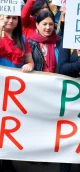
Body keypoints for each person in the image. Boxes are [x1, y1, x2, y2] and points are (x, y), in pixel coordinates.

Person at [0, 15, 34, 172]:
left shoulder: (23, 39)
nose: (10, 21)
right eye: (6, 18)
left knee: (9, 125)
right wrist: (0, 30)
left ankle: (7, 161)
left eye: (14, 18)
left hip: (14, 90)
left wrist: (30, 66)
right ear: (0, 18)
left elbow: (29, 61)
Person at [57, 36, 80, 172]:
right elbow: (62, 68)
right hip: (71, 97)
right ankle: (65, 166)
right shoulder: (69, 40)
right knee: (68, 134)